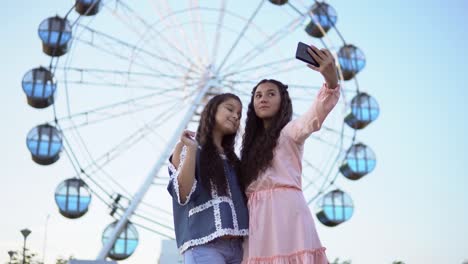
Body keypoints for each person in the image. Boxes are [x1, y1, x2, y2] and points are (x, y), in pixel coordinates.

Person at [240, 45, 340, 264]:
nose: (263, 99)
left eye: (270, 94)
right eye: (258, 95)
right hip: (256, 218)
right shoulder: (248, 147)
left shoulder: (289, 131)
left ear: (282, 100)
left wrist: (330, 83)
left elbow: (314, 116)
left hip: (285, 211)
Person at [167, 93, 249, 264]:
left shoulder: (235, 162)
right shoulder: (187, 147)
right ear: (212, 111)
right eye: (230, 109)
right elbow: (182, 194)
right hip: (204, 246)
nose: (235, 116)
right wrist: (191, 149)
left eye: (239, 115)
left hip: (239, 248)